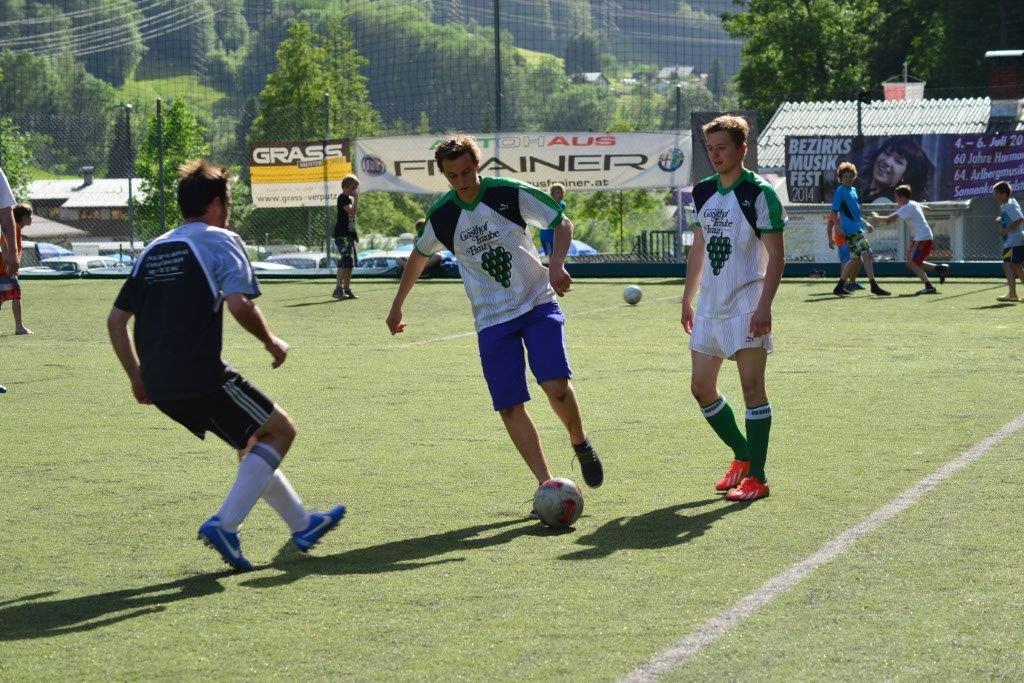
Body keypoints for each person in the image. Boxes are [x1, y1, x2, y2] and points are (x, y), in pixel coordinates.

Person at [107, 159, 344, 571]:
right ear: (218, 204)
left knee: (250, 446)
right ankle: (225, 524)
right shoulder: (220, 239)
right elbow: (239, 304)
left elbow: (115, 321)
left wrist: (136, 377)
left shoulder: (154, 248)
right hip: (200, 374)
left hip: (159, 383)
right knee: (280, 431)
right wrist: (271, 342)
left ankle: (302, 524)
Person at [385, 134, 604, 503]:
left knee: (556, 386)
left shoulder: (508, 193)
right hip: (491, 319)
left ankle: (579, 441)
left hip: (537, 303)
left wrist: (556, 265)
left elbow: (561, 222)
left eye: (466, 172)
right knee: (509, 405)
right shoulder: (442, 215)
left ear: (478, 164)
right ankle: (546, 484)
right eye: (452, 176)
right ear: (444, 175)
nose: (461, 181)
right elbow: (419, 256)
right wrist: (397, 305)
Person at [682, 115, 784, 502]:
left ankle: (757, 478)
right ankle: (743, 454)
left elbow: (777, 257)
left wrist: (765, 307)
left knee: (752, 390)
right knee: (701, 388)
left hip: (746, 305)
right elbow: (699, 248)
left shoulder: (760, 193)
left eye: (722, 147)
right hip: (710, 305)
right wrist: (687, 298)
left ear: (742, 148)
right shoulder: (703, 191)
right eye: (710, 149)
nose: (715, 155)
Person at [870, 185, 949, 295]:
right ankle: (939, 269)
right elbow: (924, 207)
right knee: (915, 263)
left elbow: (888, 220)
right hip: (924, 237)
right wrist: (925, 208)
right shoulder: (913, 203)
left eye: (896, 197)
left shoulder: (906, 207)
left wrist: (876, 216)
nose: (896, 200)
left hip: (922, 238)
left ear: (902, 197)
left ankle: (930, 286)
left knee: (911, 263)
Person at [829, 162, 891, 297]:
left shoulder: (853, 191)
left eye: (851, 176)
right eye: (845, 176)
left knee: (855, 259)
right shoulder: (840, 191)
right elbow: (833, 212)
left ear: (854, 177)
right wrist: (838, 227)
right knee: (867, 254)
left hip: (857, 229)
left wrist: (866, 223)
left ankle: (839, 286)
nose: (848, 178)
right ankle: (874, 286)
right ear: (840, 178)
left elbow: (856, 214)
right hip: (850, 230)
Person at [859, 136, 934, 204]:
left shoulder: (884, 202)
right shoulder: (862, 193)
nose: (887, 162)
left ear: (906, 175)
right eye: (887, 153)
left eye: (898, 162)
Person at [0, 204, 33, 334]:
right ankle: (19, 327)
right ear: (24, 217)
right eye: (30, 216)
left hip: (5, 268)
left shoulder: (16, 228)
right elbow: (4, 245)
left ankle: (19, 327)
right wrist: (9, 264)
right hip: (6, 269)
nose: (31, 219)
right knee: (16, 295)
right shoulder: (15, 228)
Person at [993, 180, 1024, 302]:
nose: (995, 196)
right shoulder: (1008, 205)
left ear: (1004, 194)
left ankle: (1012, 294)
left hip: (1013, 241)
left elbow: (1020, 219)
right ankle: (1012, 294)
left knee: (1008, 265)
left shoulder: (1009, 205)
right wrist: (1001, 219)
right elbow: (1012, 218)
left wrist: (1006, 230)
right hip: (1012, 242)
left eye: (996, 194)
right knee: (1014, 265)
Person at [332, 174, 360, 300]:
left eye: (356, 188)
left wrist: (354, 235)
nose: (355, 191)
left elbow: (351, 220)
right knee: (345, 260)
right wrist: (356, 198)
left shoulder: (348, 199)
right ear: (346, 187)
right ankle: (338, 289)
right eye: (353, 188)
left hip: (348, 236)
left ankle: (346, 289)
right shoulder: (343, 198)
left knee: (350, 262)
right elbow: (352, 211)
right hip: (342, 235)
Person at [825, 213, 863, 292]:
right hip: (842, 240)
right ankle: (843, 284)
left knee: (858, 260)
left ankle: (852, 282)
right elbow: (830, 226)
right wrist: (830, 240)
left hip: (854, 238)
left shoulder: (851, 208)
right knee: (846, 261)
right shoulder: (835, 211)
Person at [538, 184, 565, 256]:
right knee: (551, 254)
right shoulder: (548, 203)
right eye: (557, 192)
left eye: (561, 192)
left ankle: (556, 264)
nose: (559, 194)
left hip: (557, 233)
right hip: (547, 233)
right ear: (552, 194)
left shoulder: (562, 205)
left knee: (557, 253)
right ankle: (552, 264)